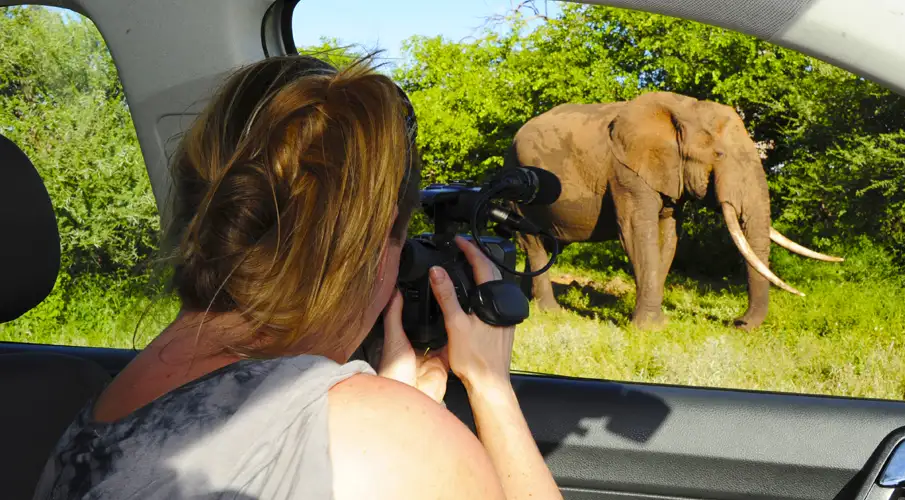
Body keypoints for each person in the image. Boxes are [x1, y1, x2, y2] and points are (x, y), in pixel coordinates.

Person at [32, 54, 563, 500]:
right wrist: (487, 391)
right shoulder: (382, 441)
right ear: (380, 250)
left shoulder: (94, 411)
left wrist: (384, 407)